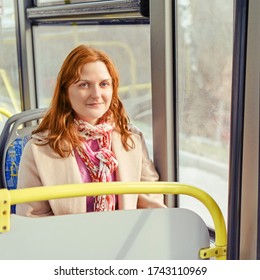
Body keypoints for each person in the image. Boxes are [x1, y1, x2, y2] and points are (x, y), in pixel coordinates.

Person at [16, 45, 166, 217]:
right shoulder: (39, 149)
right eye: (84, 85)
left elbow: (152, 209)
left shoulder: (131, 140)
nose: (96, 94)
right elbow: (32, 220)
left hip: (125, 240)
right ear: (66, 92)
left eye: (104, 84)